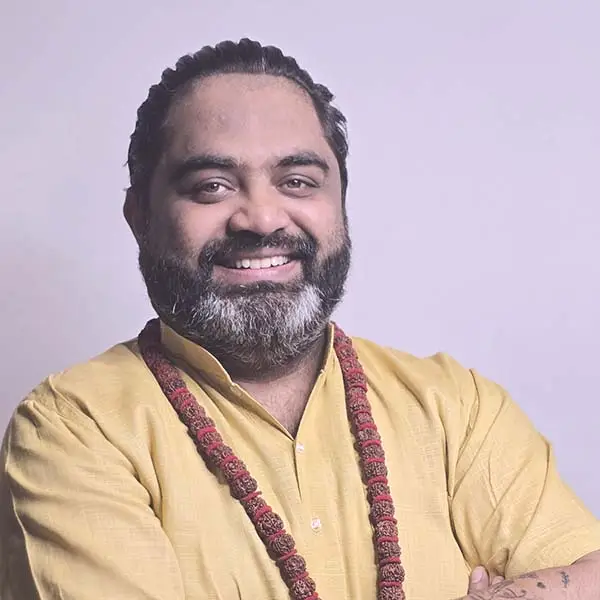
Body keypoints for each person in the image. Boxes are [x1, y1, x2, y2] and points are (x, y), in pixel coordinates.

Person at [1, 39, 599, 600]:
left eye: (297, 182)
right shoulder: (72, 430)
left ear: (340, 205)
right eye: (212, 186)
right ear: (141, 217)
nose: (262, 219)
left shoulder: (455, 408)